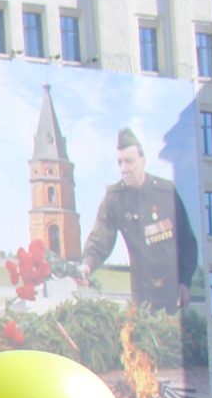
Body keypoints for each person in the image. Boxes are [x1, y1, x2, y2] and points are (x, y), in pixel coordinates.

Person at [79, 127, 200, 312]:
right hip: (143, 296)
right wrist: (87, 265)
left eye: (129, 161)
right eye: (120, 162)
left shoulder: (166, 193)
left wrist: (185, 281)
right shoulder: (115, 199)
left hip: (173, 293)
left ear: (143, 161)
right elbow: (100, 238)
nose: (124, 169)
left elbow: (187, 242)